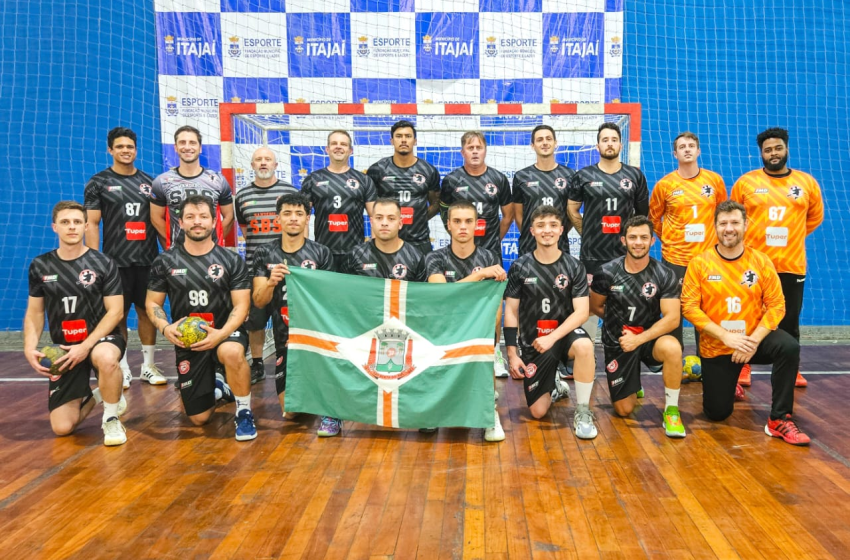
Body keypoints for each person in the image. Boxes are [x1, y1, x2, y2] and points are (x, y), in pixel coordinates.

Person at [682, 200, 809, 445]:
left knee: (789, 346)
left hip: (752, 342)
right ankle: (729, 382)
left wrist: (753, 341)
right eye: (723, 223)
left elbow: (777, 305)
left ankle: (779, 419)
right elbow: (689, 307)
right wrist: (725, 336)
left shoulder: (761, 262)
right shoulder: (699, 264)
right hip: (718, 346)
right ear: (715, 227)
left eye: (734, 223)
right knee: (717, 414)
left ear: (746, 225)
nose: (729, 228)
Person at [145, 195, 256, 441]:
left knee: (231, 353)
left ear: (214, 222)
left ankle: (244, 411)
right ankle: (220, 386)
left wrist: (221, 334)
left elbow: (241, 306)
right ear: (181, 223)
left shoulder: (230, 260)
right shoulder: (165, 262)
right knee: (200, 419)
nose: (198, 222)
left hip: (225, 332)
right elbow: (152, 303)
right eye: (191, 217)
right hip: (188, 339)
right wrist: (164, 328)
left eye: (204, 217)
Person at [319, 198, 426, 437]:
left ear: (401, 222)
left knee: (428, 351)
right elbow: (344, 297)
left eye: (390, 218)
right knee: (336, 347)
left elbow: (422, 302)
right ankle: (333, 413)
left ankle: (424, 414)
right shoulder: (355, 254)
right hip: (363, 329)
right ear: (371, 221)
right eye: (379, 218)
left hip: (403, 332)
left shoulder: (416, 256)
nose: (384, 223)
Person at [24, 201, 128, 446]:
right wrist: (29, 347)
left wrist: (86, 345)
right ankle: (102, 393)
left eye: (77, 222)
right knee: (62, 428)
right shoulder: (41, 266)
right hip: (65, 346)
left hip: (102, 339)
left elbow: (116, 312)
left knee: (105, 357)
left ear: (85, 226)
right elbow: (35, 313)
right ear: (54, 227)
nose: (72, 227)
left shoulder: (103, 263)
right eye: (65, 222)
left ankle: (111, 419)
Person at [731, 127, 824, 388]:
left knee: (790, 320)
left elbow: (815, 217)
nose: (773, 153)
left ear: (786, 149)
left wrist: (792, 236)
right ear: (761, 153)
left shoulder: (806, 183)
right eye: (768, 149)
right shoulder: (746, 182)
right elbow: (735, 219)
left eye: (778, 148)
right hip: (752, 266)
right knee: (748, 318)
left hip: (791, 265)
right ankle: (743, 365)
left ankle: (792, 369)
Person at [503, 205, 598, 439]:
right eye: (541, 225)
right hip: (534, 342)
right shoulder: (520, 266)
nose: (547, 230)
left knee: (586, 346)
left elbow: (582, 312)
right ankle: (555, 386)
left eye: (553, 225)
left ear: (561, 231)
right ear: (532, 230)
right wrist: (512, 354)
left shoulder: (574, 266)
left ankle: (583, 411)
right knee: (537, 412)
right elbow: (511, 311)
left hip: (564, 336)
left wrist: (553, 337)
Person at [589, 216, 685, 437]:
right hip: (619, 342)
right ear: (623, 240)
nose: (638, 242)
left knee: (672, 347)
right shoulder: (606, 272)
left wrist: (639, 338)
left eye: (644, 237)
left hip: (648, 340)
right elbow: (595, 306)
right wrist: (618, 323)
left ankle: (671, 411)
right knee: (624, 410)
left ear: (652, 241)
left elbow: (672, 319)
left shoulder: (664, 274)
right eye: (632, 237)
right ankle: (634, 382)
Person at [84, 126, 164, 389]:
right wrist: (95, 260)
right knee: (117, 315)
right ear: (110, 150)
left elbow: (158, 219)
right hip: (114, 262)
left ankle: (148, 366)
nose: (125, 151)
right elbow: (92, 223)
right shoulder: (98, 182)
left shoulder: (150, 183)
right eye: (119, 147)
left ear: (136, 150)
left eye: (129, 147)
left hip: (147, 260)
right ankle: (123, 367)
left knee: (148, 312)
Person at [425, 200, 507, 442]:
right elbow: (441, 295)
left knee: (484, 353)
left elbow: (496, 303)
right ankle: (433, 411)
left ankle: (489, 414)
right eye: (457, 222)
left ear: (477, 225)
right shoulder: (435, 257)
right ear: (448, 225)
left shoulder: (490, 256)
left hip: (477, 331)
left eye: (468, 221)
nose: (463, 227)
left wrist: (494, 338)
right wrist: (480, 274)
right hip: (443, 329)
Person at [251, 194, 334, 418]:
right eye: (287, 213)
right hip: (284, 339)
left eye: (299, 213)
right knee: (290, 412)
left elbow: (329, 301)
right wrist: (271, 281)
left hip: (315, 337)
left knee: (317, 398)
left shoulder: (321, 253)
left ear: (308, 218)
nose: (293, 219)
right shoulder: (265, 253)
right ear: (278, 219)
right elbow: (259, 301)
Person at [440, 131, 514, 377]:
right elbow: (445, 215)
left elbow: (508, 215)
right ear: (462, 152)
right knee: (457, 300)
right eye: (469, 147)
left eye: (478, 147)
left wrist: (492, 242)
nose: (474, 151)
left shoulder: (498, 179)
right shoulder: (451, 180)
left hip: (490, 252)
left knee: (494, 307)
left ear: (485, 150)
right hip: (459, 254)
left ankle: (494, 353)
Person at [567, 122, 649, 346]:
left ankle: (626, 350)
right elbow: (572, 209)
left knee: (626, 301)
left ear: (621, 144)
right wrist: (588, 232)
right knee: (590, 306)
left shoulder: (634, 175)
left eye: (613, 139)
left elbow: (642, 217)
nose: (609, 143)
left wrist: (632, 241)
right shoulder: (583, 175)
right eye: (605, 140)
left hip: (624, 255)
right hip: (593, 253)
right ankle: (586, 353)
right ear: (597, 146)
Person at [648, 132, 727, 355]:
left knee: (708, 312)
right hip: (675, 259)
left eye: (691, 145)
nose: (687, 149)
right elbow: (653, 219)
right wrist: (673, 241)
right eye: (682, 147)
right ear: (675, 154)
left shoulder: (714, 181)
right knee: (675, 314)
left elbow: (722, 215)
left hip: (708, 259)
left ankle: (709, 360)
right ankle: (675, 362)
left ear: (699, 151)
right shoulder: (665, 185)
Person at [235, 147, 298, 385]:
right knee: (256, 320)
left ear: (275, 164)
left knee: (290, 316)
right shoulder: (241, 196)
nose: (263, 163)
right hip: (256, 267)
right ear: (251, 165)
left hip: (289, 267)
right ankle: (258, 363)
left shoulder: (289, 191)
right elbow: (246, 231)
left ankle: (293, 358)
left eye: (267, 159)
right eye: (258, 160)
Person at [150, 125, 235, 248]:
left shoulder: (218, 180)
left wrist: (213, 240)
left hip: (211, 253)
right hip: (178, 253)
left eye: (192, 143)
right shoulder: (162, 181)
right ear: (175, 147)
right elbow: (156, 218)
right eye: (182, 143)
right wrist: (174, 242)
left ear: (200, 148)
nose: (187, 147)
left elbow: (229, 216)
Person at [300, 130, 377, 266]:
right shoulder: (313, 179)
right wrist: (304, 249)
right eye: (334, 143)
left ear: (351, 150)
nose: (338, 147)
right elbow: (303, 218)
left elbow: (375, 217)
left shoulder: (364, 180)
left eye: (343, 144)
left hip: (355, 252)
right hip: (322, 252)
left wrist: (375, 249)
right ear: (327, 149)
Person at [367, 120, 441, 255]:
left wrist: (420, 217)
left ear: (415, 141)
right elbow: (370, 204)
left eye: (408, 136)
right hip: (386, 241)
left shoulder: (429, 170)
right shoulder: (378, 169)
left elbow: (436, 203)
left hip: (419, 241)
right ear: (391, 140)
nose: (403, 140)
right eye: (399, 136)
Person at [512, 124, 575, 256]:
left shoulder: (570, 175)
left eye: (548, 139)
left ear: (555, 143)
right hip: (529, 245)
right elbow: (519, 216)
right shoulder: (521, 176)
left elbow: (571, 214)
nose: (545, 143)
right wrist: (535, 232)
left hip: (559, 245)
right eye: (540, 140)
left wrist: (555, 232)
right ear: (532, 145)